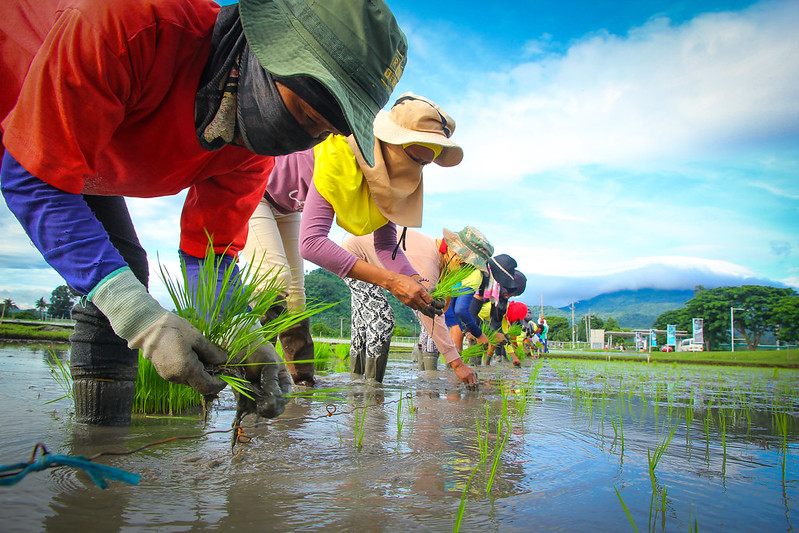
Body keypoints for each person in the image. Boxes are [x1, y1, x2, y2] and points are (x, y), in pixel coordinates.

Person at [0, 0, 408, 425]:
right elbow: (36, 178)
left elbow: (207, 254)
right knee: (120, 288)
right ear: (268, 52)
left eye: (325, 130)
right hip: (20, 98)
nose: (304, 139)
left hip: (79, 156)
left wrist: (242, 335)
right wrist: (141, 319)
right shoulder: (133, 25)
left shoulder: (250, 155)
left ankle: (98, 456)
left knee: (127, 268)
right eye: (306, 114)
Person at [243, 93, 459, 385]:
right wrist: (392, 282)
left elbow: (385, 246)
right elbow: (312, 244)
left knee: (296, 297)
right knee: (276, 281)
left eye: (424, 163)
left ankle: (303, 385)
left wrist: (415, 280)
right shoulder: (340, 152)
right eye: (414, 157)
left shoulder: (391, 178)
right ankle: (254, 378)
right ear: (391, 142)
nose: (417, 169)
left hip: (290, 207)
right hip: (259, 193)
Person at [342, 226, 494, 387]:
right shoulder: (428, 261)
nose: (463, 272)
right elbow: (430, 315)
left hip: (360, 253)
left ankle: (356, 383)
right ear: (457, 258)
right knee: (382, 319)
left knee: (362, 323)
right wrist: (458, 364)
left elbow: (440, 307)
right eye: (465, 267)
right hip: (355, 256)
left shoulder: (437, 257)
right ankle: (372, 388)